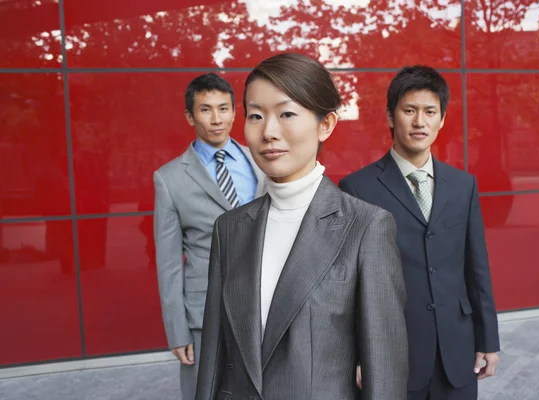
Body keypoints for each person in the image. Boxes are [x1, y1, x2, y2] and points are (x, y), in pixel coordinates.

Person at [196, 53, 409, 400]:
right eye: (255, 115)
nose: (268, 132)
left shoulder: (366, 227)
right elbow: (213, 359)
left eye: (287, 114)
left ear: (325, 124)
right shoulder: (230, 228)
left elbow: (383, 373)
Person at [339, 65, 500, 399]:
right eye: (409, 110)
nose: (419, 122)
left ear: (441, 119)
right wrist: (357, 355)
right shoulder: (357, 188)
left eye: (430, 112)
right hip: (392, 353)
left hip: (457, 349)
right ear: (390, 116)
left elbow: (477, 268)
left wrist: (488, 341)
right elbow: (349, 284)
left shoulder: (463, 185)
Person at [153, 73, 264, 400]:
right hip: (205, 311)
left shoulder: (262, 159)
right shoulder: (169, 179)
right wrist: (177, 330)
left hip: (266, 300)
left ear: (234, 112)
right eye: (205, 110)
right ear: (190, 116)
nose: (216, 119)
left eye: (224, 108)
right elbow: (169, 262)